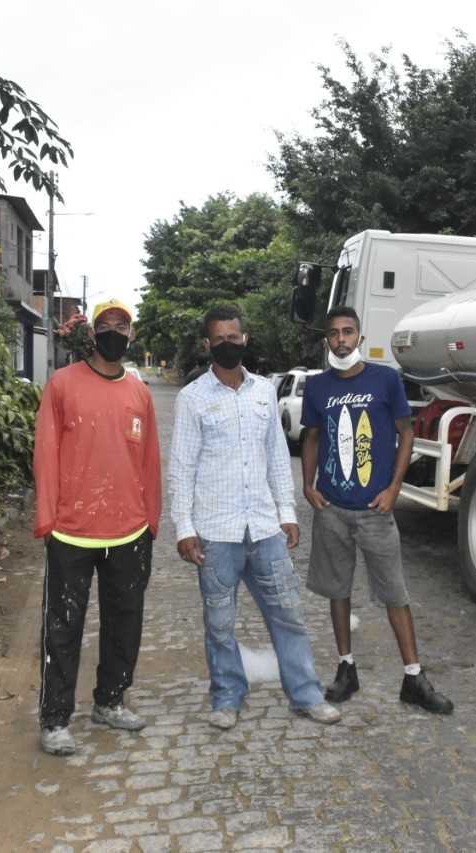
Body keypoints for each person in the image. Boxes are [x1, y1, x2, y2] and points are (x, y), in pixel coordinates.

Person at [169, 305, 341, 730]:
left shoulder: (265, 392)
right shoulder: (192, 399)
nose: (228, 345)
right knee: (220, 623)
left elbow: (277, 458)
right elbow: (181, 467)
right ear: (207, 345)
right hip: (216, 531)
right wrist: (184, 528)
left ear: (245, 340)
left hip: (264, 528)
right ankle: (227, 697)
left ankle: (306, 695)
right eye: (219, 339)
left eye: (235, 337)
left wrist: (287, 513)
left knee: (289, 616)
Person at [300, 306, 454, 715]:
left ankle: (414, 677)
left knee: (395, 593)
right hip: (332, 507)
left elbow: (406, 435)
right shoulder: (317, 387)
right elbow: (312, 437)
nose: (341, 340)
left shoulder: (385, 379)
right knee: (337, 590)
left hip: (375, 509)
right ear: (326, 341)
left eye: (348, 332)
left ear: (360, 338)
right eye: (333, 334)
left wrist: (394, 488)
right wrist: (308, 485)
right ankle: (346, 670)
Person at [34, 298, 161, 755]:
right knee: (64, 625)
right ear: (92, 334)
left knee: (124, 623)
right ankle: (54, 719)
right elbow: (46, 453)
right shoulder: (62, 385)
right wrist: (47, 517)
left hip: (128, 531)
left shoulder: (139, 393)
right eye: (105, 325)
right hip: (71, 530)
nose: (114, 333)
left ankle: (110, 700)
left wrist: (152, 520)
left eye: (121, 327)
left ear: (131, 336)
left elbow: (149, 462)